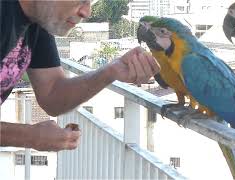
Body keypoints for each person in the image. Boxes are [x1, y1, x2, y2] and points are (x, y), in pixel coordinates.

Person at [0, 0, 160, 151]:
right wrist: (29, 136)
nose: (86, 12)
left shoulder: (38, 18)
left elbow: (52, 94)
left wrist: (111, 71)